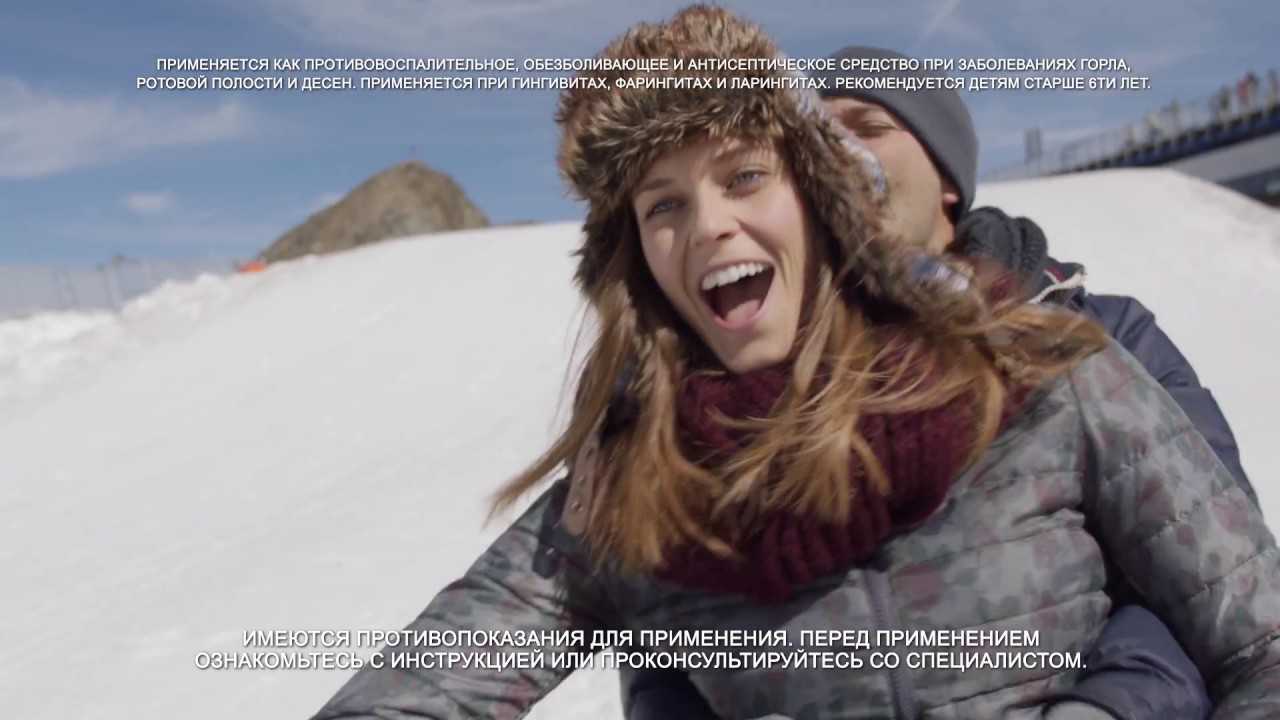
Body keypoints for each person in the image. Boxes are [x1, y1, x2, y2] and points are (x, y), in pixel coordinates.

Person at [307, 6, 1280, 719]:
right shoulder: (634, 487)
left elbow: (1259, 642)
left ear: (818, 202)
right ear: (637, 259)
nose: (708, 225)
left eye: (743, 176)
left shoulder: (1044, 374)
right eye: (662, 205)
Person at [619, 43, 1263, 720]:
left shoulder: (1096, 337)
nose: (837, 153)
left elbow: (1221, 592)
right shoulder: (750, 376)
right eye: (813, 139)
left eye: (868, 128)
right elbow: (662, 639)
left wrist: (1109, 705)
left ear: (948, 180)